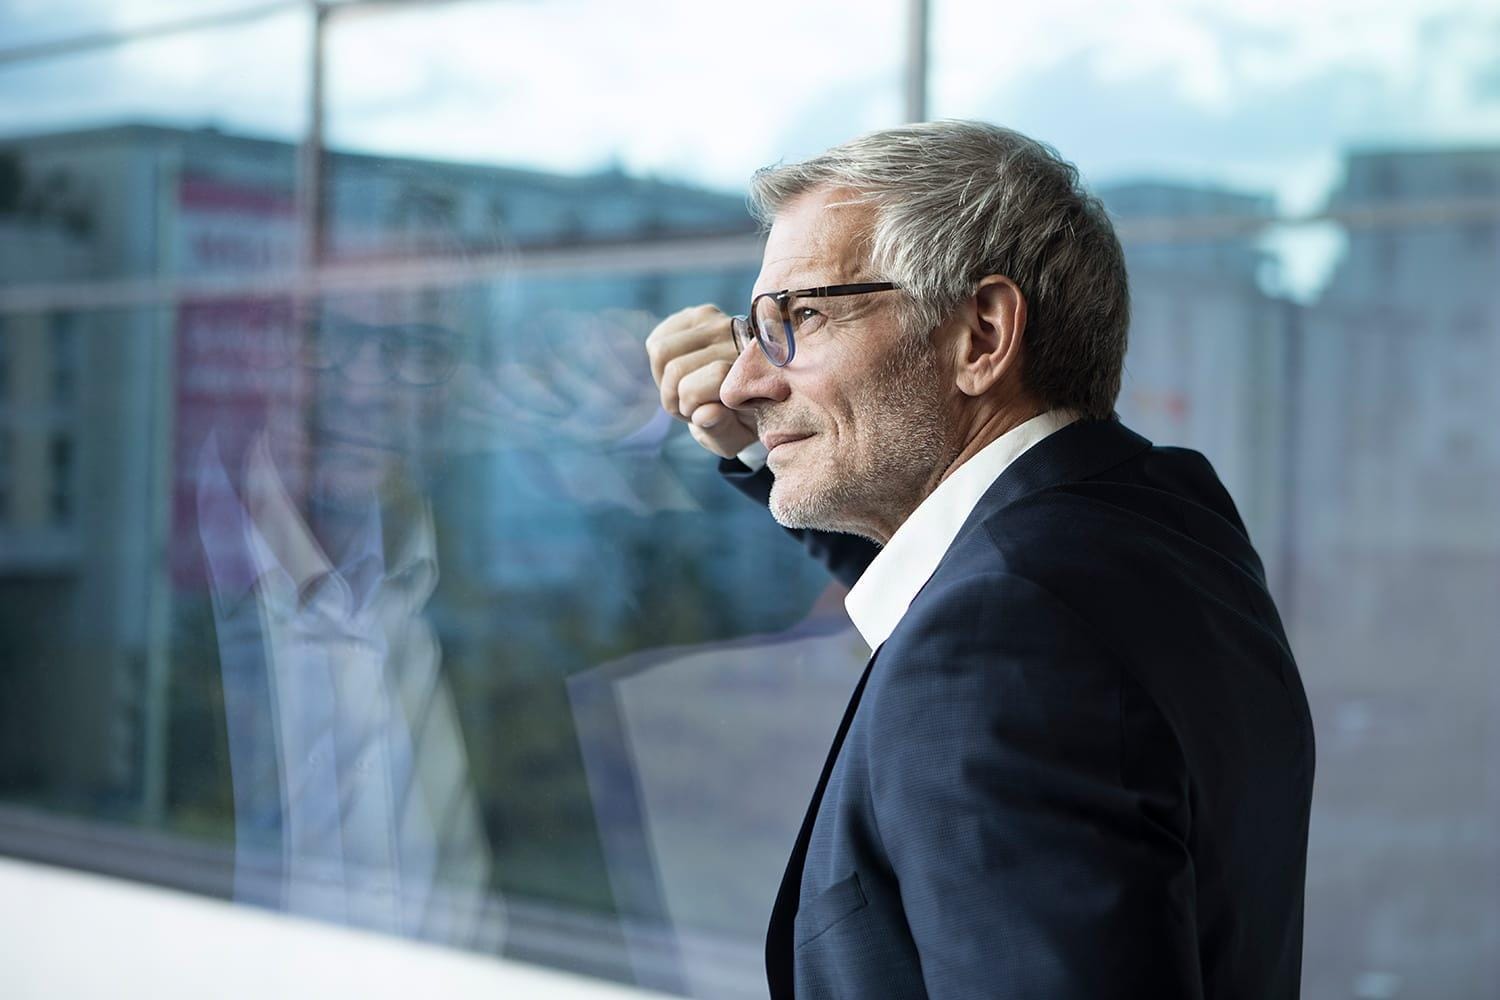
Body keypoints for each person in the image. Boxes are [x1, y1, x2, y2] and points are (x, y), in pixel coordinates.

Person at [645, 120, 1315, 999]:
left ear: (982, 334)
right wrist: (769, 445)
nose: (740, 382)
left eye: (801, 316)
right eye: (759, 329)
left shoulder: (999, 643)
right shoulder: (1164, 518)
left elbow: (983, 620)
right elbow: (962, 564)